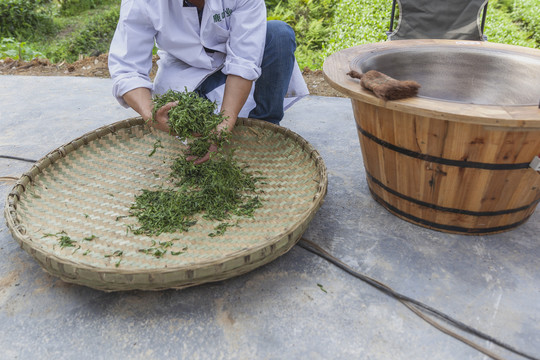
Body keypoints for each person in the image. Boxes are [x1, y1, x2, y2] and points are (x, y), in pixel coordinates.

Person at [108, 0, 308, 162]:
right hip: (184, 66)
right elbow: (127, 68)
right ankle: (212, 128)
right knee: (188, 115)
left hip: (231, 58)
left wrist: (224, 124)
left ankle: (265, 127)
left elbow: (243, 62)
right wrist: (150, 113)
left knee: (279, 34)